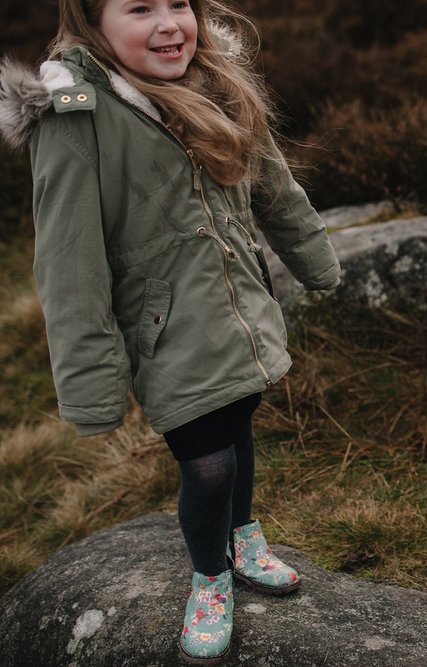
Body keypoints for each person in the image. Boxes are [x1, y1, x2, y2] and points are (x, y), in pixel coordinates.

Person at [0, 0, 341, 663]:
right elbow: (70, 261)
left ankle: (244, 534)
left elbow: (272, 182)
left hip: (239, 307)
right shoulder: (73, 110)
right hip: (166, 330)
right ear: (91, 21)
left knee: (238, 423)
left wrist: (314, 259)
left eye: (177, 3)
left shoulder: (214, 76)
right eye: (138, 8)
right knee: (208, 464)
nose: (168, 24)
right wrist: (92, 384)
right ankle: (211, 574)